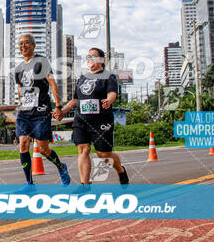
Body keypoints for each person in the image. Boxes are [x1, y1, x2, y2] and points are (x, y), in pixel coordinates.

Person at [55, 47, 128, 190]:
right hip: (81, 120)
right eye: (88, 56)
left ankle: (120, 169)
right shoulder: (82, 78)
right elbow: (75, 100)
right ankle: (85, 184)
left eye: (94, 56)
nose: (90, 59)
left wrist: (109, 101)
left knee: (103, 154)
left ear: (101, 60)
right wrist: (63, 111)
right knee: (83, 150)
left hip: (101, 121)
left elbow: (112, 93)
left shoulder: (108, 76)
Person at [14, 33, 70, 191]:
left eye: (26, 43)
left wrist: (58, 106)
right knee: (23, 145)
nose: (23, 46)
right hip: (24, 113)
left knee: (44, 149)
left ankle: (61, 167)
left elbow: (52, 83)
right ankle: (29, 183)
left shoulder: (41, 61)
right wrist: (20, 104)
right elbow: (20, 90)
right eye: (20, 44)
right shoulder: (18, 69)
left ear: (33, 45)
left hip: (41, 112)